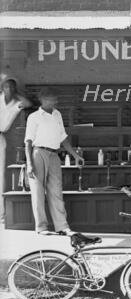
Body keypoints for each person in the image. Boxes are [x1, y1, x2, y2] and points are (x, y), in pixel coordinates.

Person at [24, 87, 98, 245]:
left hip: (54, 154)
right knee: (37, 191)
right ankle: (41, 227)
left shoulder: (57, 114)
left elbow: (63, 138)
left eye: (55, 99)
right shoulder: (34, 117)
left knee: (56, 190)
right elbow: (28, 141)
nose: (55, 102)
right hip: (38, 153)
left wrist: (75, 155)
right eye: (52, 99)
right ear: (43, 100)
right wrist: (29, 163)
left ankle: (62, 226)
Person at [0, 74, 33, 222]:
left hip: (1, 136)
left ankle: (1, 213)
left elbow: (28, 103)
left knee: (1, 177)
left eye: (12, 87)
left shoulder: (16, 103)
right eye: (6, 86)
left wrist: (15, 93)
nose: (9, 89)